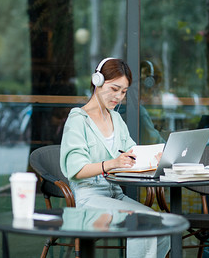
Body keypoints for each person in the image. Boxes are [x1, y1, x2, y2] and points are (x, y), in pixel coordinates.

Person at [60, 58, 170, 258]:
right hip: (89, 199)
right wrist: (112, 164)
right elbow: (75, 170)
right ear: (97, 81)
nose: (118, 97)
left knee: (162, 225)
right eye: (114, 89)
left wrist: (153, 158)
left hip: (114, 196)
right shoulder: (78, 120)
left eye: (124, 91)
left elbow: (131, 154)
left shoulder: (116, 119)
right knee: (141, 222)